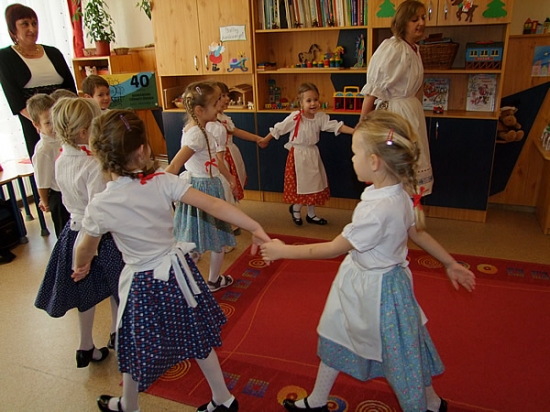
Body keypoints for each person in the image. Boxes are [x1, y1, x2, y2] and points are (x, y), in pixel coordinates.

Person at [261, 110, 476, 412]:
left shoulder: (376, 210)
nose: (352, 159)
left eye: (355, 153)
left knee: (399, 356)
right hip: (368, 283)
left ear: (374, 162)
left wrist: (283, 251)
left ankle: (425, 404)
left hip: (376, 292)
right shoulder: (398, 193)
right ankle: (319, 400)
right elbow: (418, 232)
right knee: (349, 337)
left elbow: (333, 248)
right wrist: (450, 263)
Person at [72, 109, 270, 412]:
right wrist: (254, 226)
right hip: (178, 274)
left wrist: (81, 265)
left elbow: (85, 247)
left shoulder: (101, 204)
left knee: (135, 344)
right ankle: (223, 398)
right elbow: (214, 205)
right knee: (197, 336)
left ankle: (129, 405)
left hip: (141, 284)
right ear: (142, 150)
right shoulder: (162, 181)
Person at [34, 97, 122, 367]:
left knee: (86, 293)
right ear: (84, 132)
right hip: (98, 237)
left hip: (73, 232)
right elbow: (98, 209)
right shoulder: (93, 164)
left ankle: (85, 346)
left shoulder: (62, 158)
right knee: (117, 285)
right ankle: (117, 334)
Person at [165, 81, 238, 293]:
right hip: (204, 188)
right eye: (215, 104)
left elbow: (213, 160)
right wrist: (156, 186)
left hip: (200, 185)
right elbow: (175, 164)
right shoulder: (197, 134)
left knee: (194, 234)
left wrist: (229, 177)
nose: (219, 107)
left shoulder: (195, 129)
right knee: (218, 239)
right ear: (199, 110)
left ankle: (189, 273)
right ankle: (213, 280)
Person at [360, 0, 433, 196]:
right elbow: (374, 88)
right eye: (414, 19)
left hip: (410, 112)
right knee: (396, 165)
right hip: (396, 114)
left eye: (423, 18)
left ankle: (407, 208)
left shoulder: (414, 49)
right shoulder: (394, 48)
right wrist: (363, 123)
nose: (421, 23)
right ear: (403, 22)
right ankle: (394, 207)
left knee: (411, 161)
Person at [259, 82, 354, 226]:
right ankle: (296, 209)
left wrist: (354, 131)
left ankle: (311, 214)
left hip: (312, 153)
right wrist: (265, 140)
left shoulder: (320, 117)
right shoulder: (296, 117)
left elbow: (336, 126)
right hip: (298, 155)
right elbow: (279, 128)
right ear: (301, 103)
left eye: (315, 99)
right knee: (303, 185)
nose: (313, 103)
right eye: (308, 100)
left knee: (314, 184)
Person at [0, 3, 77, 158]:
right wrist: (44, 124)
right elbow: (15, 101)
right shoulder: (5, 57)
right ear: (13, 29)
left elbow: (71, 90)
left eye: (34, 23)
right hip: (36, 125)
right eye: (25, 24)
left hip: (66, 121)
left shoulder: (53, 53)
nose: (32, 29)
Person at [26, 93, 69, 237]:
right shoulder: (43, 149)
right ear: (36, 125)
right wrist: (45, 202)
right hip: (59, 196)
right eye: (48, 123)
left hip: (71, 192)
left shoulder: (63, 137)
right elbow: (42, 182)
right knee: (65, 233)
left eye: (55, 119)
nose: (54, 126)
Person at [214, 82, 263, 203]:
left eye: (227, 95)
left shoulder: (223, 118)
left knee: (232, 186)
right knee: (225, 186)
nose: (227, 98)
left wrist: (256, 138)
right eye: (222, 96)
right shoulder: (212, 122)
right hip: (222, 157)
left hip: (231, 154)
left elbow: (235, 131)